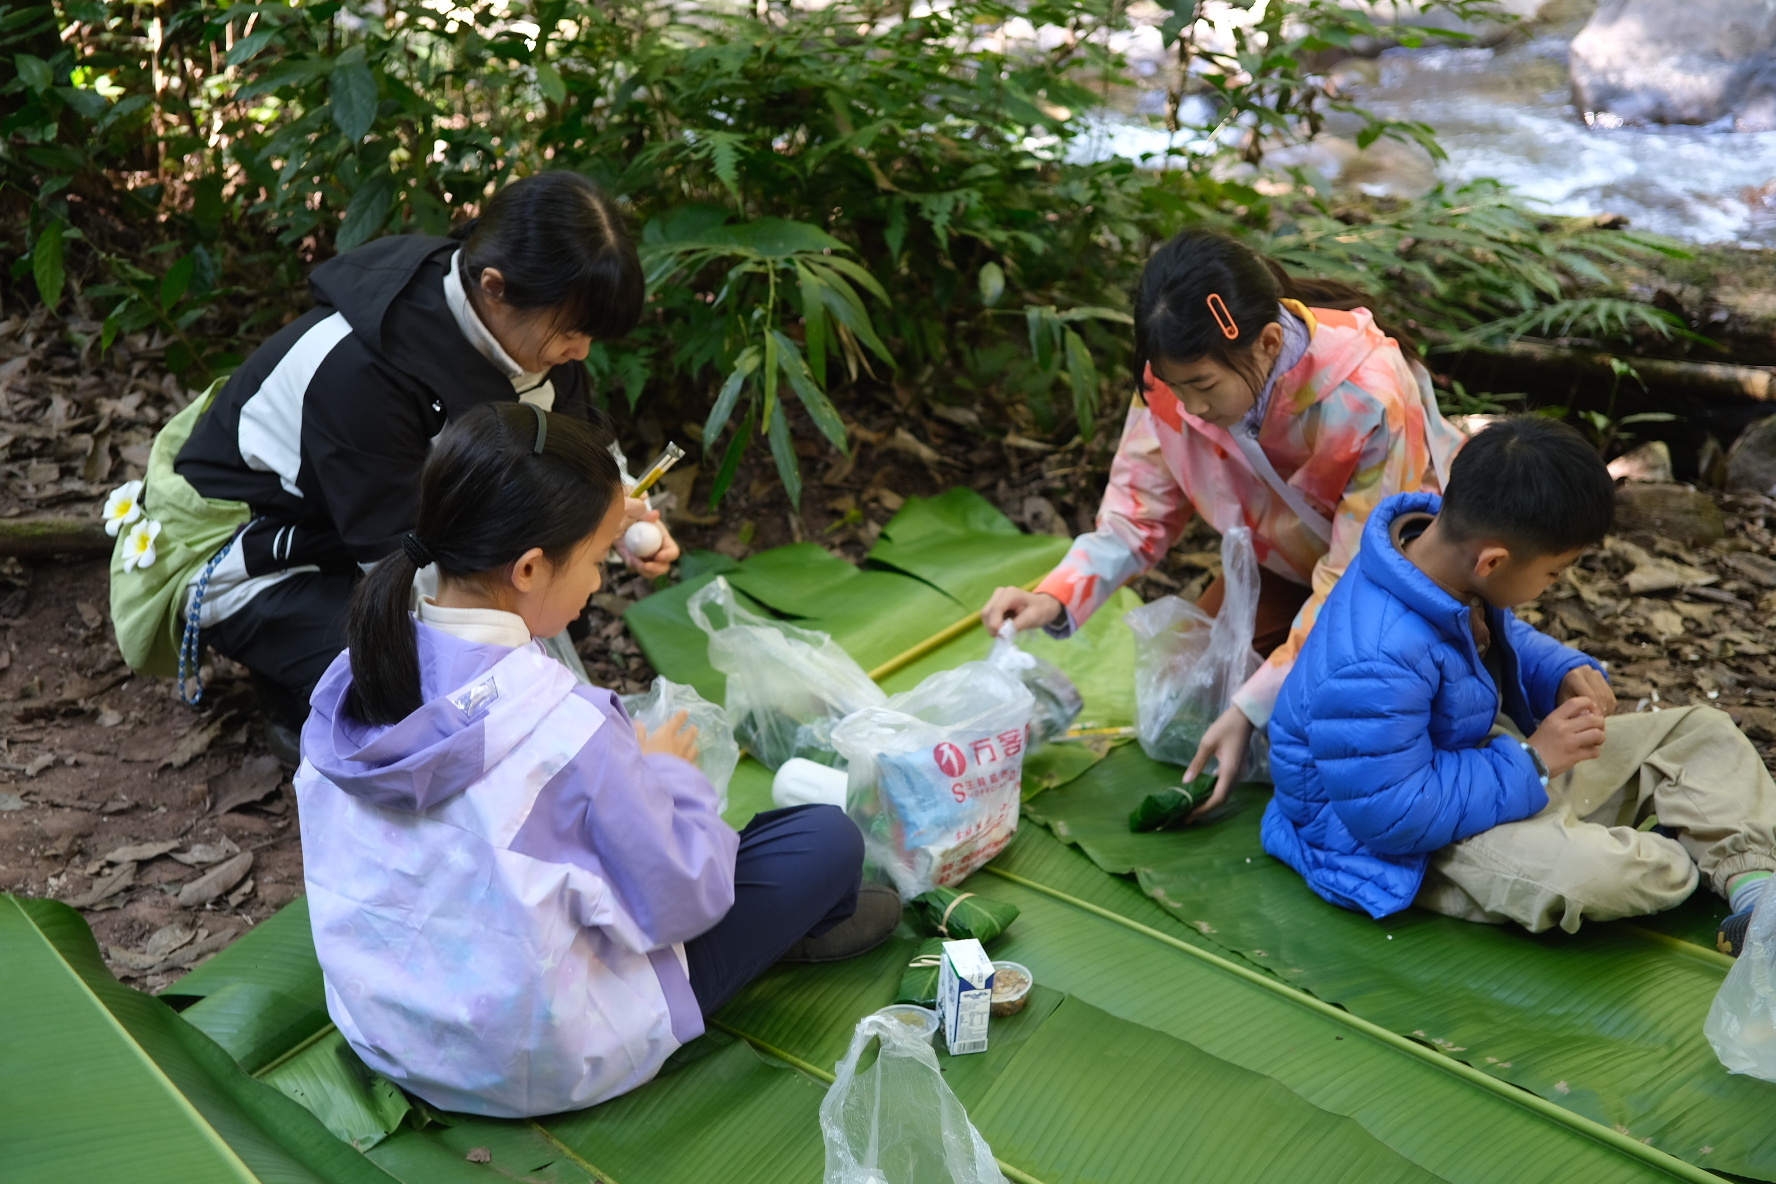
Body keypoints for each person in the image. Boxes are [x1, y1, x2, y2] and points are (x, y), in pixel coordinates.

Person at [295, 402, 900, 1119]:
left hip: (385, 1025)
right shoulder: (568, 728)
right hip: (535, 1059)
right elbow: (684, 899)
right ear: (527, 567)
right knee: (825, 843)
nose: (599, 582)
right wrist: (666, 773)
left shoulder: (355, 670)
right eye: (595, 559)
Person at [159, 171, 679, 758]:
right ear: (494, 286)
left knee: (548, 604)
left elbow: (576, 446)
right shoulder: (361, 372)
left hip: (385, 532)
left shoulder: (530, 333)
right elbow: (393, 555)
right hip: (275, 557)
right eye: (572, 334)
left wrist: (621, 522)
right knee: (424, 675)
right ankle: (297, 691)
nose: (580, 354)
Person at [981, 228, 1463, 817]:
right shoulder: (1169, 385)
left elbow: (1359, 572)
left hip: (1403, 574)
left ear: (1266, 343)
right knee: (1191, 700)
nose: (1190, 408)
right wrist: (1053, 599)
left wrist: (1254, 706)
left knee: (1335, 729)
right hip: (1287, 564)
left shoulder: (1367, 397)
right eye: (1174, 385)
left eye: (1203, 386)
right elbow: (1135, 517)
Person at [1265, 417, 1776, 952]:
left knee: (1702, 733)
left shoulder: (1442, 559)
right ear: (1493, 560)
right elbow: (1391, 814)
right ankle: (1676, 847)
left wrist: (1558, 670)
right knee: (1616, 873)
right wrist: (1534, 761)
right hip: (1400, 843)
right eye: (1555, 573)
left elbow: (1488, 637)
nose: (1556, 583)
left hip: (1483, 763)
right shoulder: (1375, 656)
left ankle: (1756, 892)